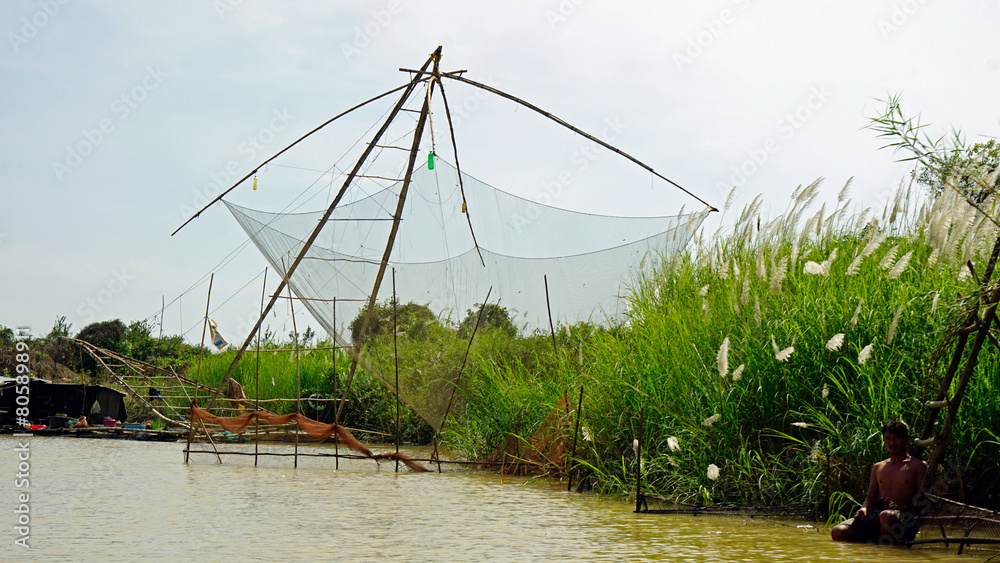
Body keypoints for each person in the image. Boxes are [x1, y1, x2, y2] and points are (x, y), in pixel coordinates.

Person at [831, 421, 928, 544]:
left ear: (906, 439)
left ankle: (885, 554)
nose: (892, 443)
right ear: (884, 440)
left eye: (896, 438)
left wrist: (901, 507)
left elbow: (923, 500)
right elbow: (869, 499)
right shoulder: (878, 467)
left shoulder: (918, 466)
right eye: (888, 439)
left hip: (901, 516)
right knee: (838, 531)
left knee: (886, 515)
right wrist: (863, 510)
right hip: (876, 514)